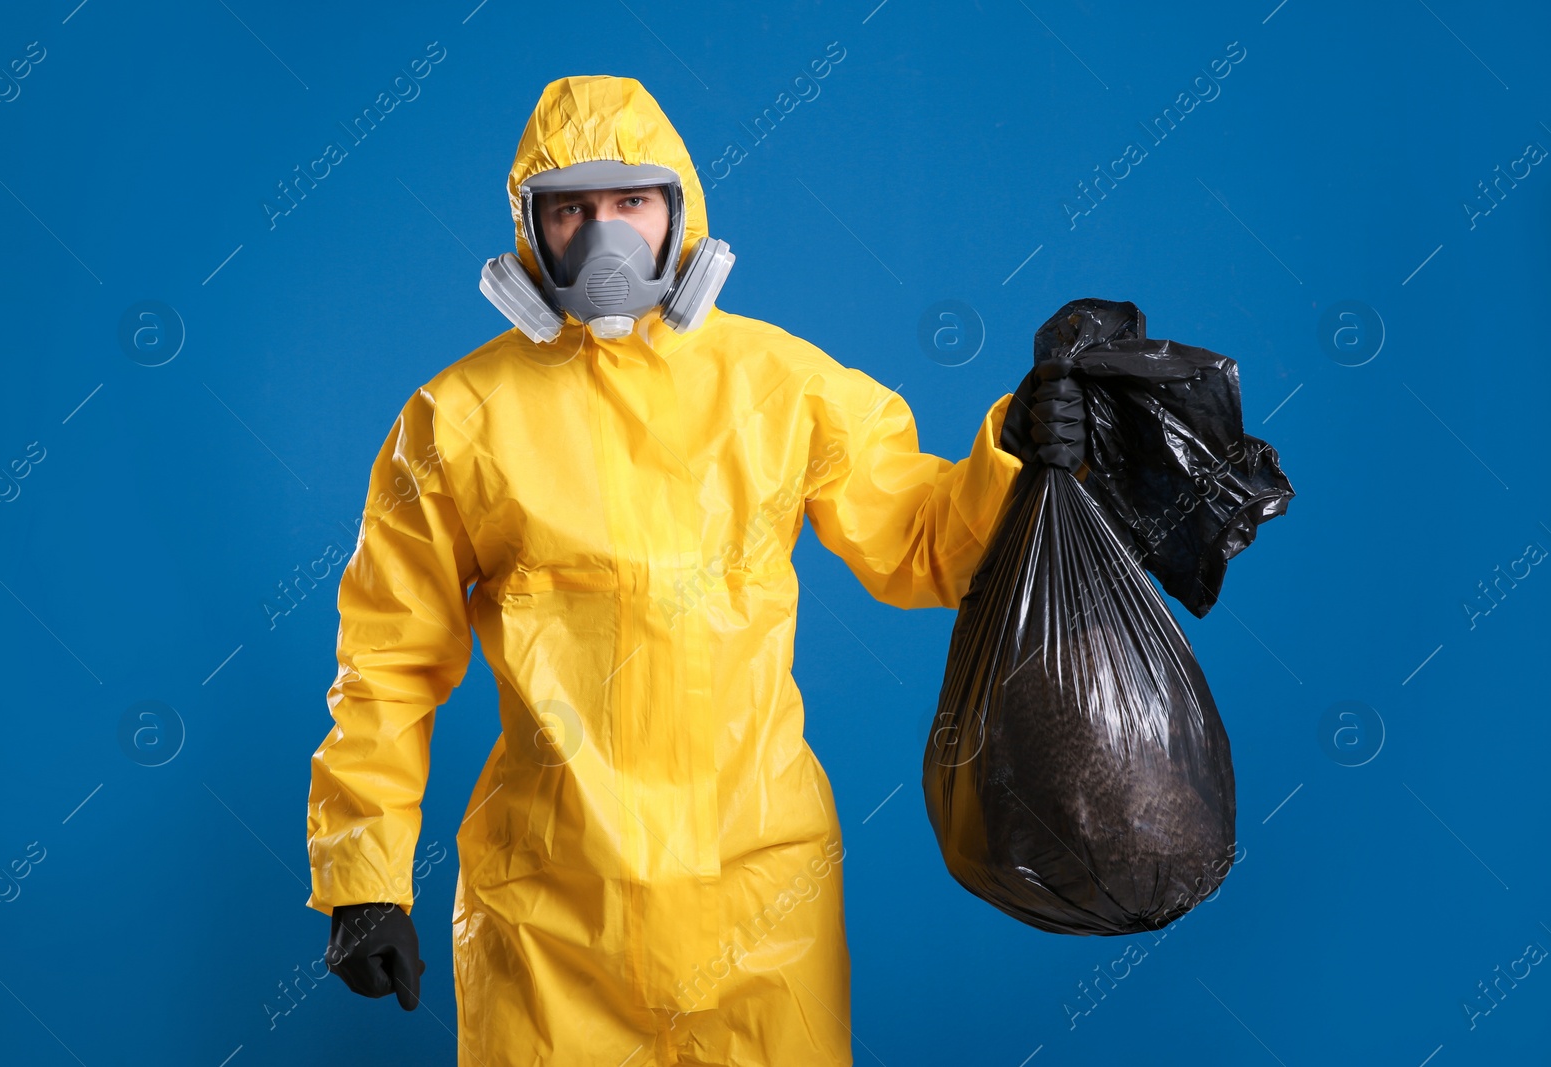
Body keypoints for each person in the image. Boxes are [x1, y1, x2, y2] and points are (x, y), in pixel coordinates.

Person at [305, 74, 1081, 1067]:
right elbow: (387, 660)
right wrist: (363, 875)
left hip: (757, 901)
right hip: (549, 916)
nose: (605, 241)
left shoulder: (778, 383)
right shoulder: (457, 420)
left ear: (680, 211)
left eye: (630, 202)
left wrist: (1010, 455)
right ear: (528, 232)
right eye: (572, 210)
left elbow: (924, 542)